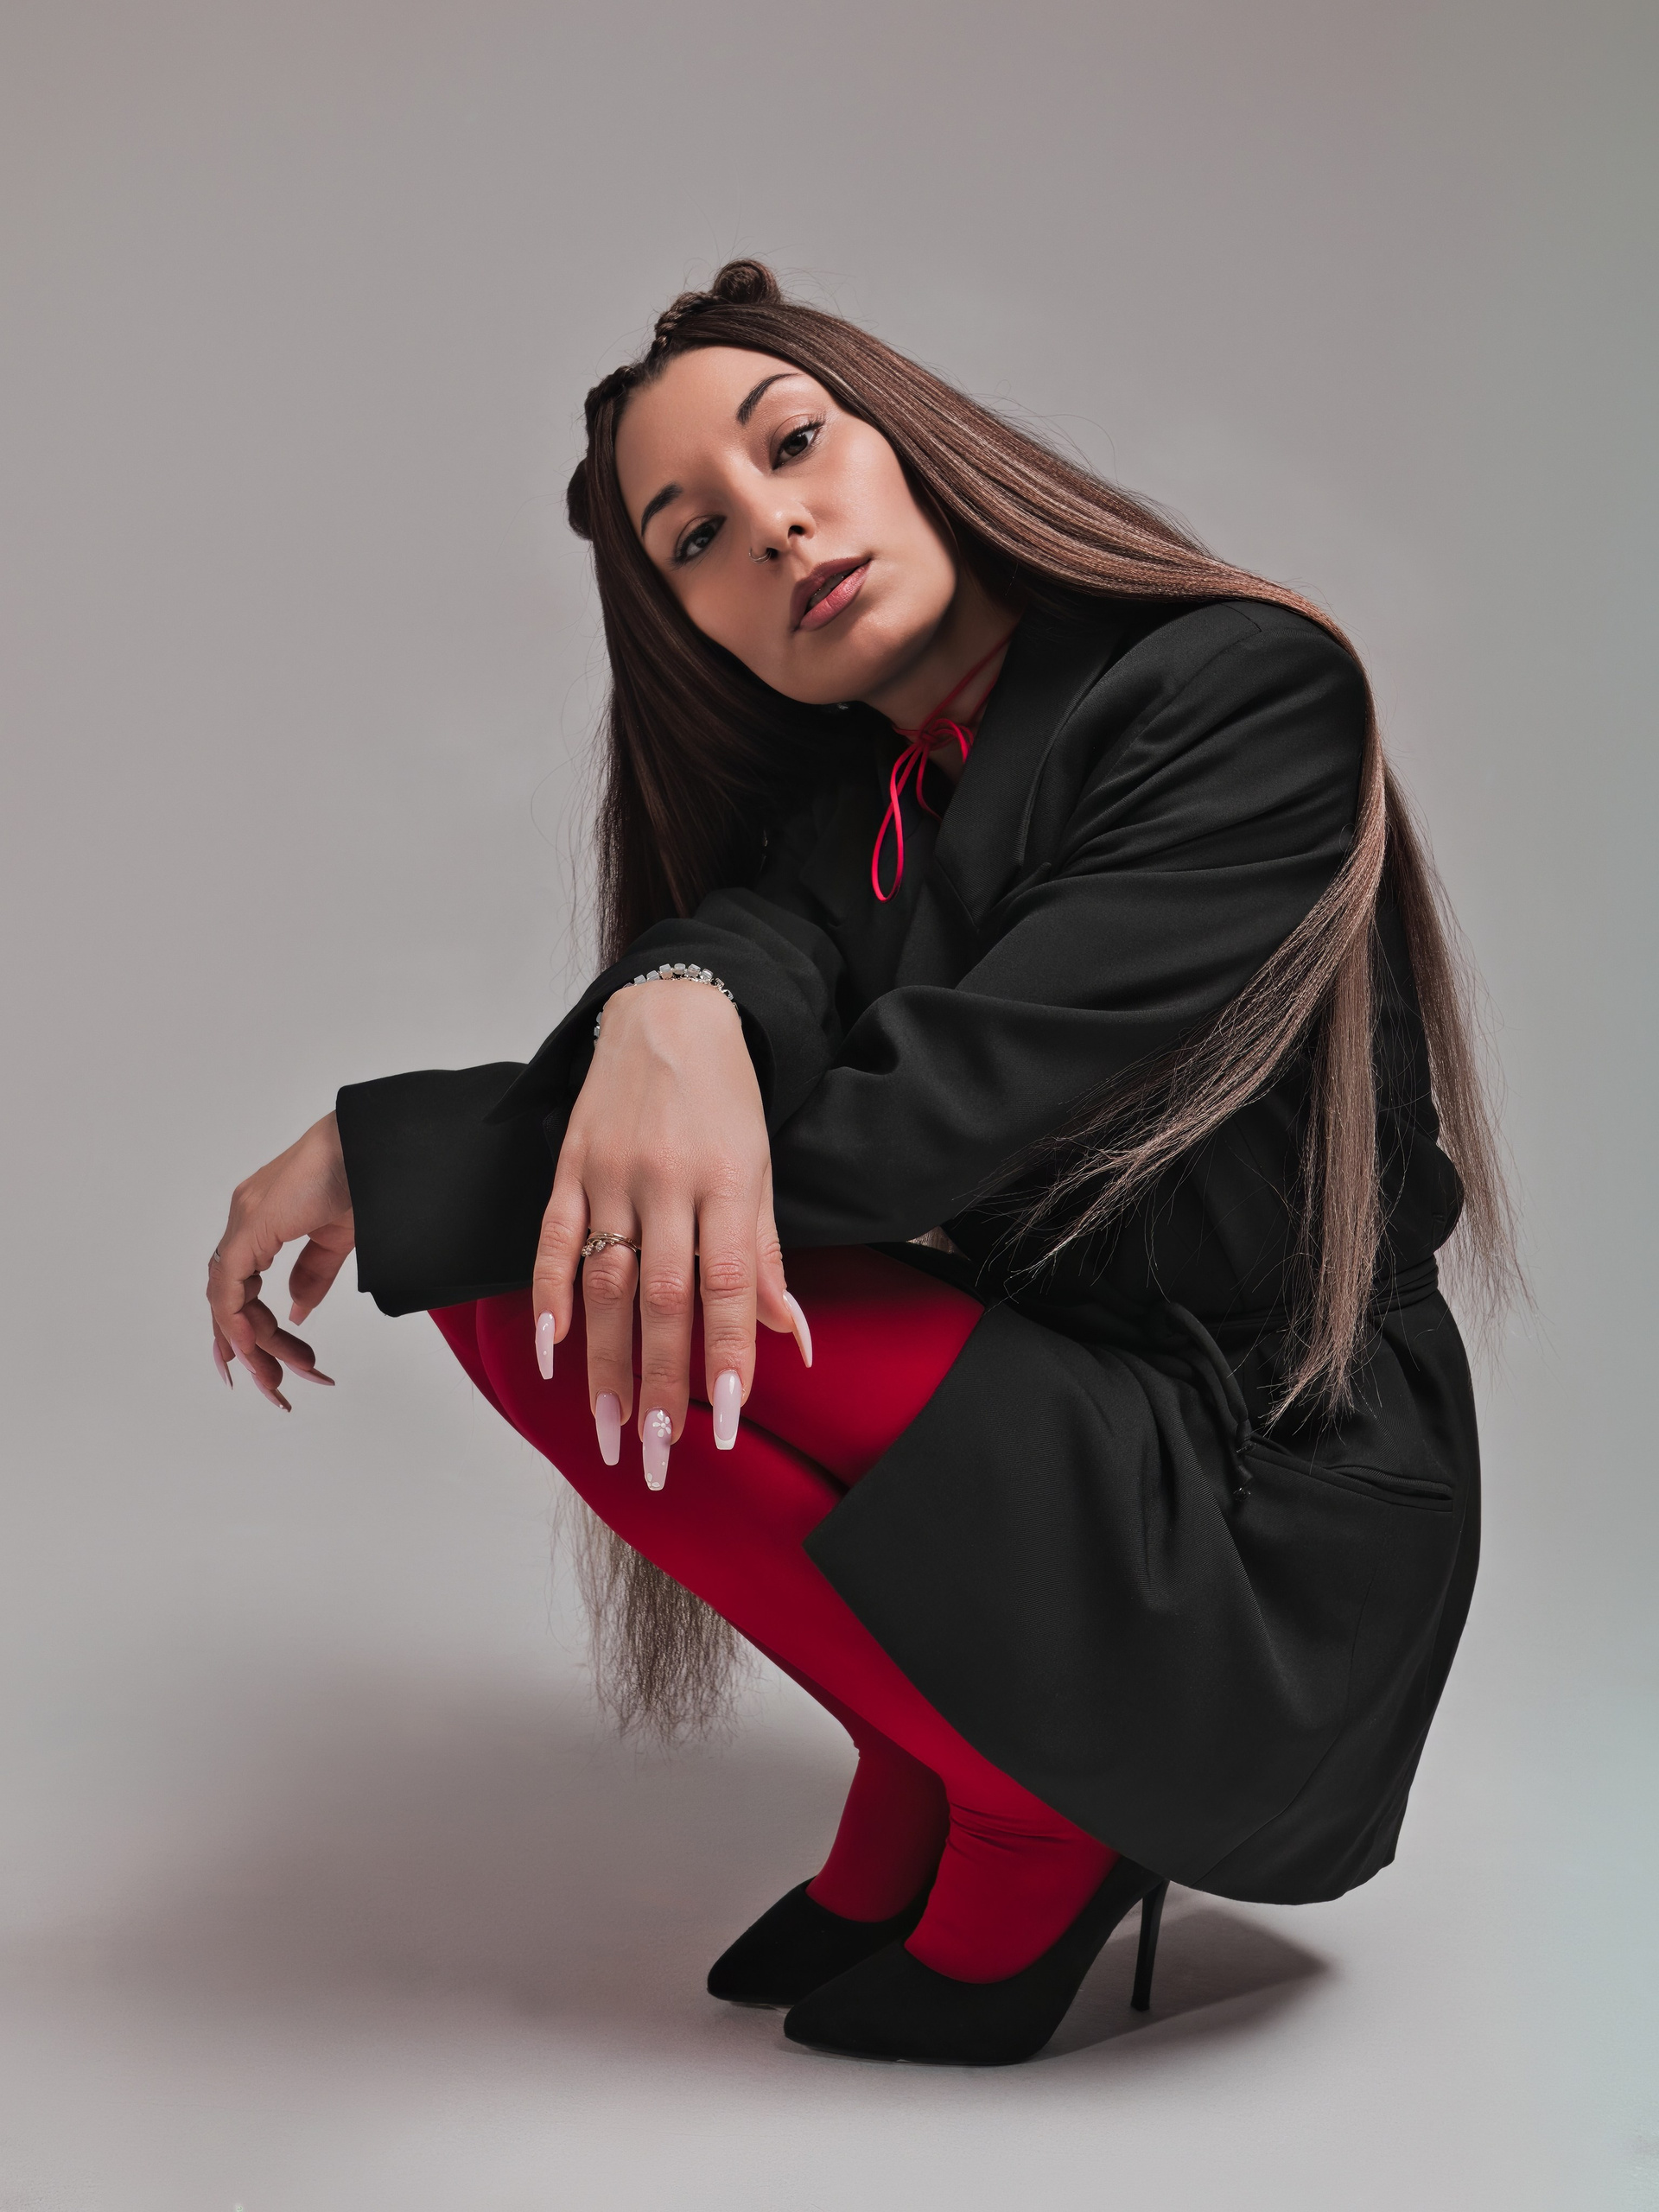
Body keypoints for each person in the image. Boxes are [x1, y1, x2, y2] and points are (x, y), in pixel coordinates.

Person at [207, 260, 1511, 2067]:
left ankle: (1041, 1817)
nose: (773, 527)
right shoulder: (852, 816)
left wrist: (384, 1147)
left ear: (908, 439)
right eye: (696, 539)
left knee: (543, 1241)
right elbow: (763, 938)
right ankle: (926, 1747)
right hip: (1082, 1447)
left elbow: (917, 1130)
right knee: (527, 1287)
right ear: (698, 631)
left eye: (794, 443)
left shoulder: (1235, 692)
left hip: (1269, 1530)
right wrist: (671, 999)